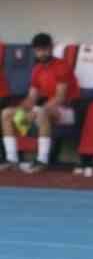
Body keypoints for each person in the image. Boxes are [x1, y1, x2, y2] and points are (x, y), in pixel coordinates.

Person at [1, 33, 80, 173]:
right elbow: (32, 97)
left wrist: (36, 110)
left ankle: (42, 160)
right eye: (38, 50)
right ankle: (11, 159)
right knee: (7, 113)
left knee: (40, 112)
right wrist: (21, 110)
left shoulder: (62, 66)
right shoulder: (37, 69)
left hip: (67, 111)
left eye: (44, 49)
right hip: (45, 111)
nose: (42, 53)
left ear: (51, 48)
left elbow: (60, 97)